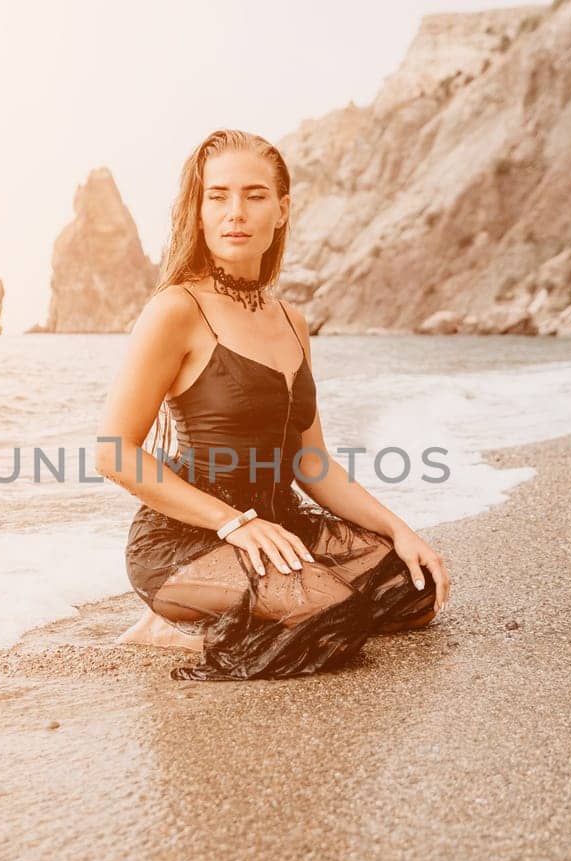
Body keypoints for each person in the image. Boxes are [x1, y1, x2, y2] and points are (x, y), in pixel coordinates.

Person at [94, 128, 451, 681]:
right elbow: (114, 454)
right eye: (218, 196)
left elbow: (312, 463)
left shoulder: (292, 321)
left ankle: (247, 609)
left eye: (254, 196)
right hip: (188, 541)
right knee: (334, 615)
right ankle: (174, 625)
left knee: (412, 587)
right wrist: (233, 523)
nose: (235, 212)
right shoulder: (176, 310)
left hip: (278, 525)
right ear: (199, 209)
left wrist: (400, 529)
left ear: (281, 210)